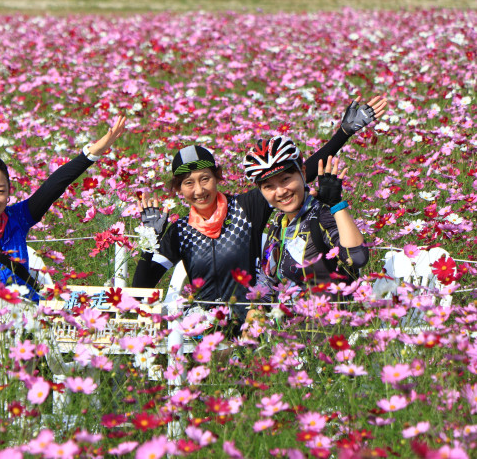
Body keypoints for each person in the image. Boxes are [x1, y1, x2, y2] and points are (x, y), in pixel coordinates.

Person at [131, 96, 387, 330]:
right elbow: (142, 287)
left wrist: (343, 133)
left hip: (253, 326)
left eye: (205, 179)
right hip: (206, 330)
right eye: (188, 183)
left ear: (217, 178)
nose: (199, 190)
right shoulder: (180, 231)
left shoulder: (244, 208)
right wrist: (149, 239)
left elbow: (294, 175)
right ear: (179, 190)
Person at [0, 116, 127, 301]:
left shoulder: (16, 218)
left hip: (29, 320)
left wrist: (91, 154)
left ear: (10, 190)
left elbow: (53, 187)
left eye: (0, 191)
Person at [244, 138, 368, 302]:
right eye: (268, 186)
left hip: (333, 322)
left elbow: (357, 258)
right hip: (292, 324)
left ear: (303, 173)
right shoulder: (277, 226)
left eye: (285, 179)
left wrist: (336, 204)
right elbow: (267, 281)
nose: (280, 192)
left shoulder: (322, 215)